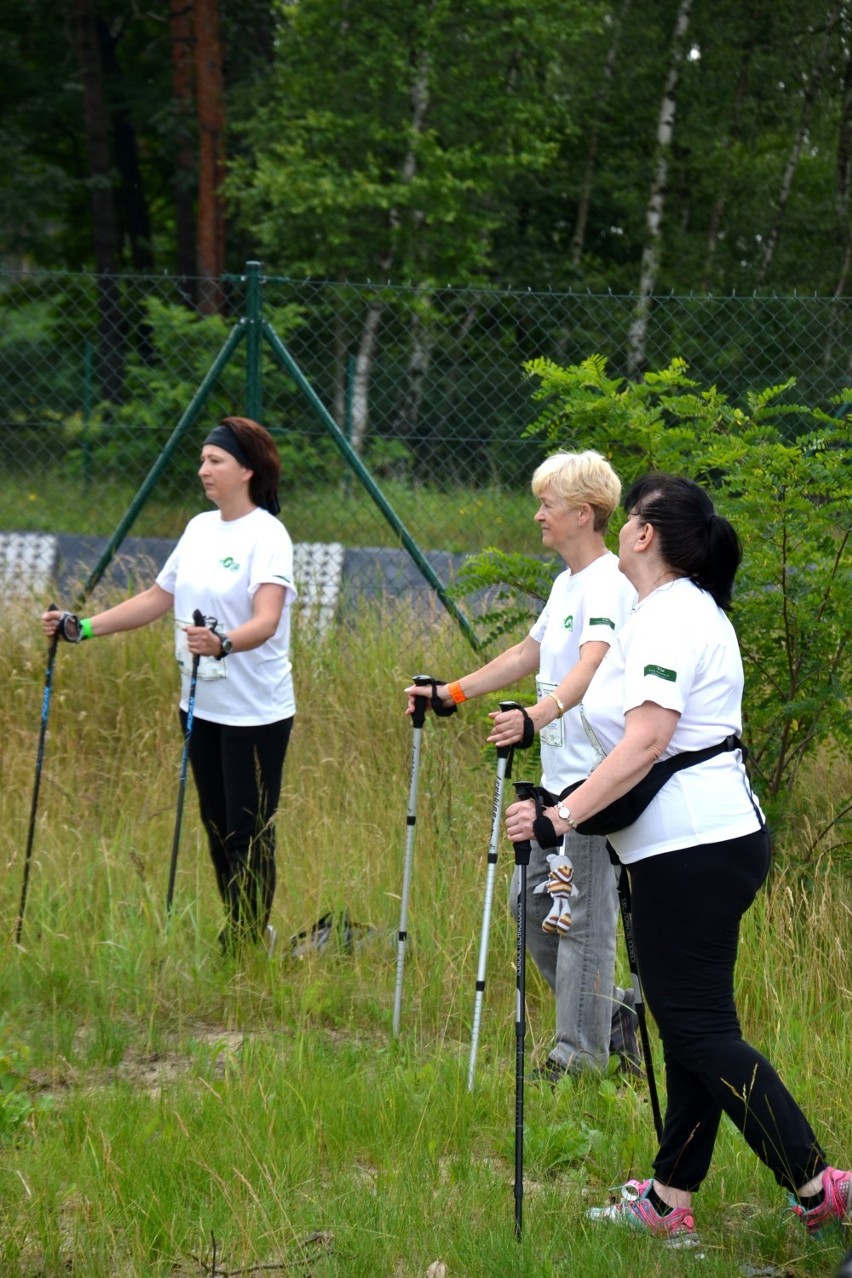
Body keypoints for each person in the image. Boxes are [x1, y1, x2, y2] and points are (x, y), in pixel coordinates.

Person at [505, 472, 851, 1245]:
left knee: (696, 1031)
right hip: (700, 844)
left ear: (643, 535)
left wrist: (559, 817)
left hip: (689, 850)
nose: (626, 527)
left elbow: (648, 739)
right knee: (694, 1025)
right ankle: (668, 1200)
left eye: (632, 518)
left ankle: (817, 1183)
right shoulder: (677, 612)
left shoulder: (667, 617)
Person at [407, 450, 639, 1080]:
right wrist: (452, 693)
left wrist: (538, 714)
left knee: (581, 917)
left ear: (583, 514)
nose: (538, 514)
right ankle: (616, 1018)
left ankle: (579, 1057)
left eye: (548, 504)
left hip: (594, 783)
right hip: (556, 777)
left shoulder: (611, 584)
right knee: (530, 907)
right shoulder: (567, 583)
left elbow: (590, 664)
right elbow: (529, 650)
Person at [43, 416, 297, 955]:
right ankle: (244, 933)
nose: (203, 469)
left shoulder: (267, 535)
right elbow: (158, 598)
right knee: (215, 827)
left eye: (215, 460)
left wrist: (223, 642)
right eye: (203, 459)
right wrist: (81, 627)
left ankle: (250, 939)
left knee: (247, 832)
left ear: (247, 470)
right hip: (199, 705)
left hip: (255, 712)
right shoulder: (200, 528)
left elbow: (267, 619)